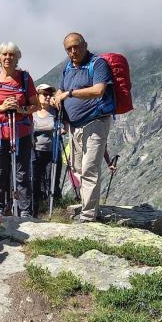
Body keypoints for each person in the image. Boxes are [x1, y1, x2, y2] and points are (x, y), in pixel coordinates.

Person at [54, 32, 113, 222]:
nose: (73, 51)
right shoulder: (68, 68)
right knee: (78, 167)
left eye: (76, 46)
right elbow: (61, 89)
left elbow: (98, 90)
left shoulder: (97, 64)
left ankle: (88, 215)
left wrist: (69, 94)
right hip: (74, 126)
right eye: (68, 49)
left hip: (95, 122)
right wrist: (58, 95)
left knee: (89, 168)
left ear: (85, 45)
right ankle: (89, 206)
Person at [0, 42, 39, 217]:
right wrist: (3, 107)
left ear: (17, 57)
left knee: (22, 173)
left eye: (12, 54)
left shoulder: (25, 78)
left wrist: (21, 110)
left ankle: (25, 210)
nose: (8, 57)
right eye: (4, 54)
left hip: (21, 133)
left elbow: (36, 105)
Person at [32, 84, 62, 215]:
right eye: (45, 94)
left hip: (52, 152)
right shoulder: (32, 112)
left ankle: (52, 208)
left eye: (50, 94)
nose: (48, 97)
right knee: (36, 179)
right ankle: (36, 207)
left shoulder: (55, 112)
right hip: (35, 150)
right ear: (38, 96)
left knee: (51, 179)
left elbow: (63, 126)